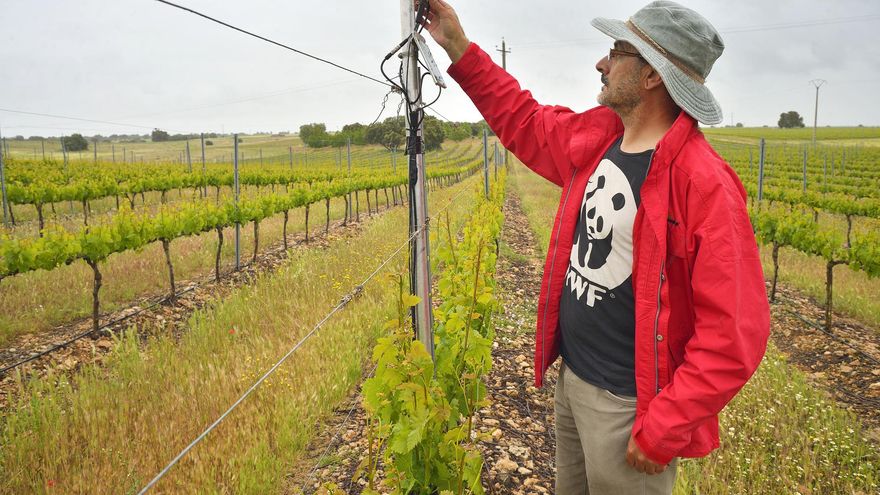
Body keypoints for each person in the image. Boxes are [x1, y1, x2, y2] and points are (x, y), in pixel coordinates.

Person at [422, 1, 771, 493]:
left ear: (652, 75)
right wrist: (457, 45)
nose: (601, 63)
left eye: (617, 52)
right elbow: (525, 120)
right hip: (574, 381)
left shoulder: (704, 184)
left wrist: (665, 425)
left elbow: (735, 333)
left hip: (628, 408)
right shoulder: (601, 139)